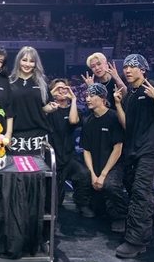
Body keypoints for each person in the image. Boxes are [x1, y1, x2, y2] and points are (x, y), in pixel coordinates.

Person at [113, 54, 154, 258]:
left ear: (143, 69)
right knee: (134, 188)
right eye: (126, 67)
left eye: (133, 66)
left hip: (151, 150)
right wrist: (119, 104)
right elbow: (127, 125)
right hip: (135, 150)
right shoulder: (131, 94)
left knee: (140, 193)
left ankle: (137, 242)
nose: (127, 70)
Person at [81, 83, 128, 232]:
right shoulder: (87, 121)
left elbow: (118, 148)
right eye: (87, 96)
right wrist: (93, 175)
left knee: (110, 185)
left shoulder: (114, 117)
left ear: (102, 98)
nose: (87, 99)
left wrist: (103, 175)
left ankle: (120, 217)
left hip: (114, 165)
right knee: (96, 203)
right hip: (95, 164)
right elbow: (86, 150)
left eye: (91, 96)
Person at [48, 78, 93, 216]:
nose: (61, 91)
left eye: (64, 88)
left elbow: (73, 121)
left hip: (69, 156)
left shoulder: (74, 109)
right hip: (52, 159)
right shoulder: (48, 108)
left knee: (84, 174)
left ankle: (82, 204)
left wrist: (73, 99)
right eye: (58, 88)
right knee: (55, 201)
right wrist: (51, 94)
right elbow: (41, 110)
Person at [9, 46, 58, 153]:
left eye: (31, 61)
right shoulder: (9, 82)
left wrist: (51, 108)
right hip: (15, 137)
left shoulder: (42, 83)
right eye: (24, 60)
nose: (27, 64)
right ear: (18, 61)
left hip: (38, 136)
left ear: (36, 64)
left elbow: (43, 107)